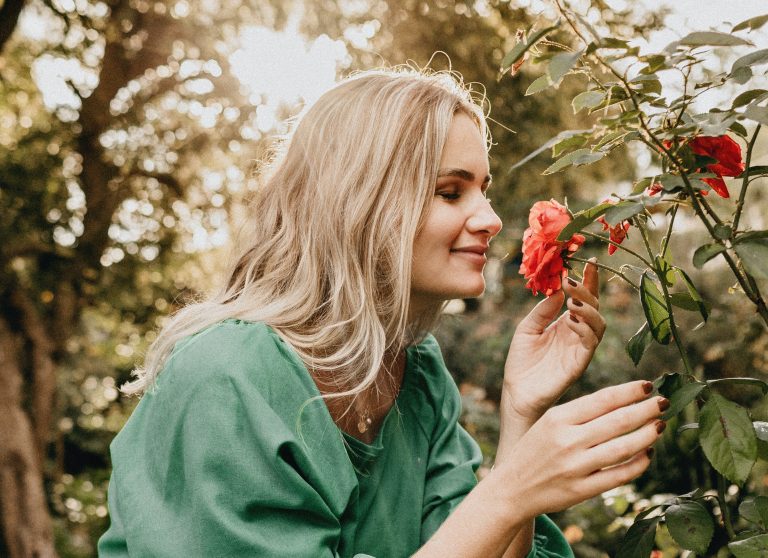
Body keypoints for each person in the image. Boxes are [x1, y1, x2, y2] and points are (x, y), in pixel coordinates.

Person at [97, 68, 666, 558]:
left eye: (483, 191)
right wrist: (510, 491)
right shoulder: (226, 377)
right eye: (451, 191)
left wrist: (521, 413)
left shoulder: (415, 371)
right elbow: (487, 518)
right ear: (361, 201)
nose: (491, 218)